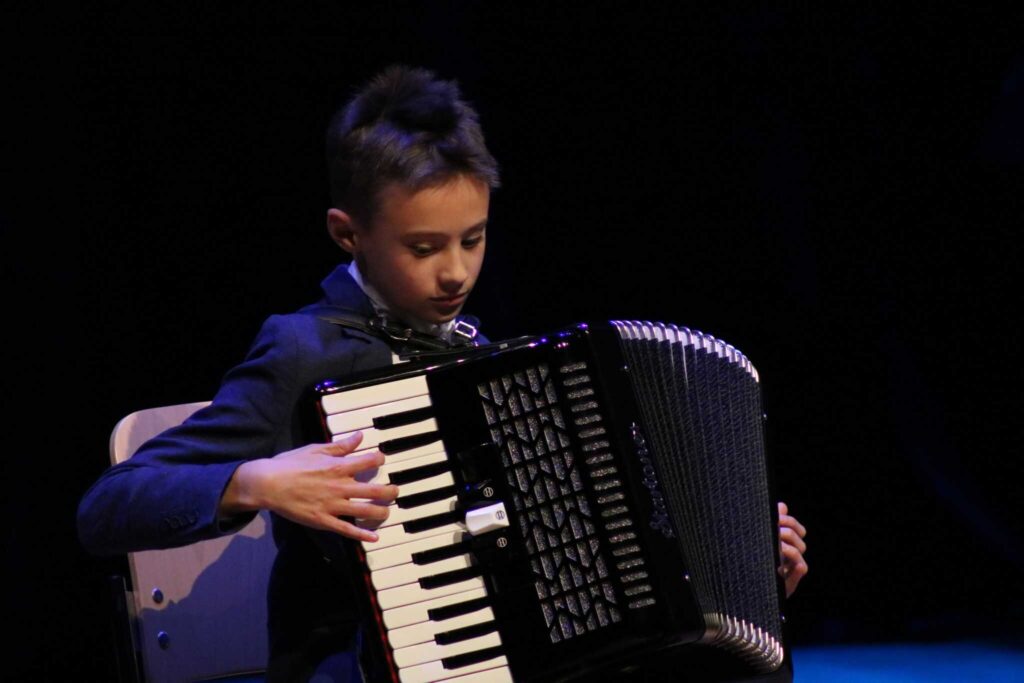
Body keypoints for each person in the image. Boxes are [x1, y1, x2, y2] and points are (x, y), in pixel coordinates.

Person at [78, 65, 807, 682]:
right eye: (423, 247)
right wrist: (254, 480)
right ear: (348, 233)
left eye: (473, 238)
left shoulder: (479, 353)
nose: (455, 271)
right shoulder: (303, 350)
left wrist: (735, 554)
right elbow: (107, 508)